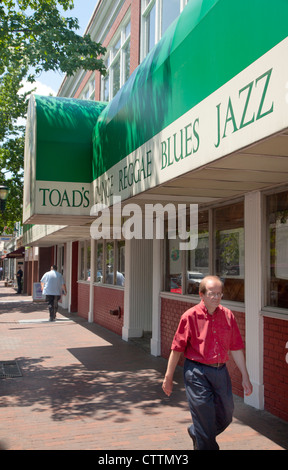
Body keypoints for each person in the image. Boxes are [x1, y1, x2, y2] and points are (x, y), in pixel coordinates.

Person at [162, 275, 252, 450]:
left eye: (219, 294)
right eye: (212, 293)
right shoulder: (190, 316)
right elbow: (177, 348)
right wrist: (168, 376)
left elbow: (236, 348)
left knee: (225, 416)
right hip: (197, 372)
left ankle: (197, 431)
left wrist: (245, 377)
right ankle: (203, 437)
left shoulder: (228, 315)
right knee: (205, 419)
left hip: (220, 372)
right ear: (201, 294)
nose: (216, 297)